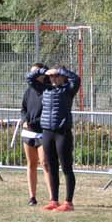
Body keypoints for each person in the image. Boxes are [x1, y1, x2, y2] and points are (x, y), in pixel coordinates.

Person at [38, 65, 81, 212]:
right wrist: (44, 72)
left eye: (56, 76)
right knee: (52, 167)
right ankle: (54, 200)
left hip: (62, 133)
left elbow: (77, 78)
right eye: (51, 76)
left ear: (63, 77)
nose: (53, 78)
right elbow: (30, 79)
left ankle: (68, 202)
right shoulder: (45, 89)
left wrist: (60, 71)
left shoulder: (68, 89)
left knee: (66, 168)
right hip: (47, 132)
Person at [20, 62, 48, 205]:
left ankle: (52, 198)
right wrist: (24, 120)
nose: (32, 75)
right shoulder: (28, 91)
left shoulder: (48, 89)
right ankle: (32, 197)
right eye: (31, 72)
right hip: (28, 133)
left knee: (45, 163)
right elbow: (23, 109)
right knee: (31, 164)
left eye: (35, 72)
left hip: (42, 133)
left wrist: (36, 122)